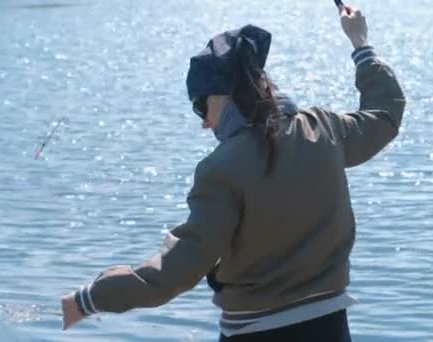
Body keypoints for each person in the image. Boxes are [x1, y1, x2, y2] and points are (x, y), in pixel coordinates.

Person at [61, 4, 405, 341]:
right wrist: (360, 43)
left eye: (201, 107)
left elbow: (175, 273)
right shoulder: (325, 128)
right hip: (330, 327)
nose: (204, 123)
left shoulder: (220, 170)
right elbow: (386, 114)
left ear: (222, 95)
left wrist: (88, 299)